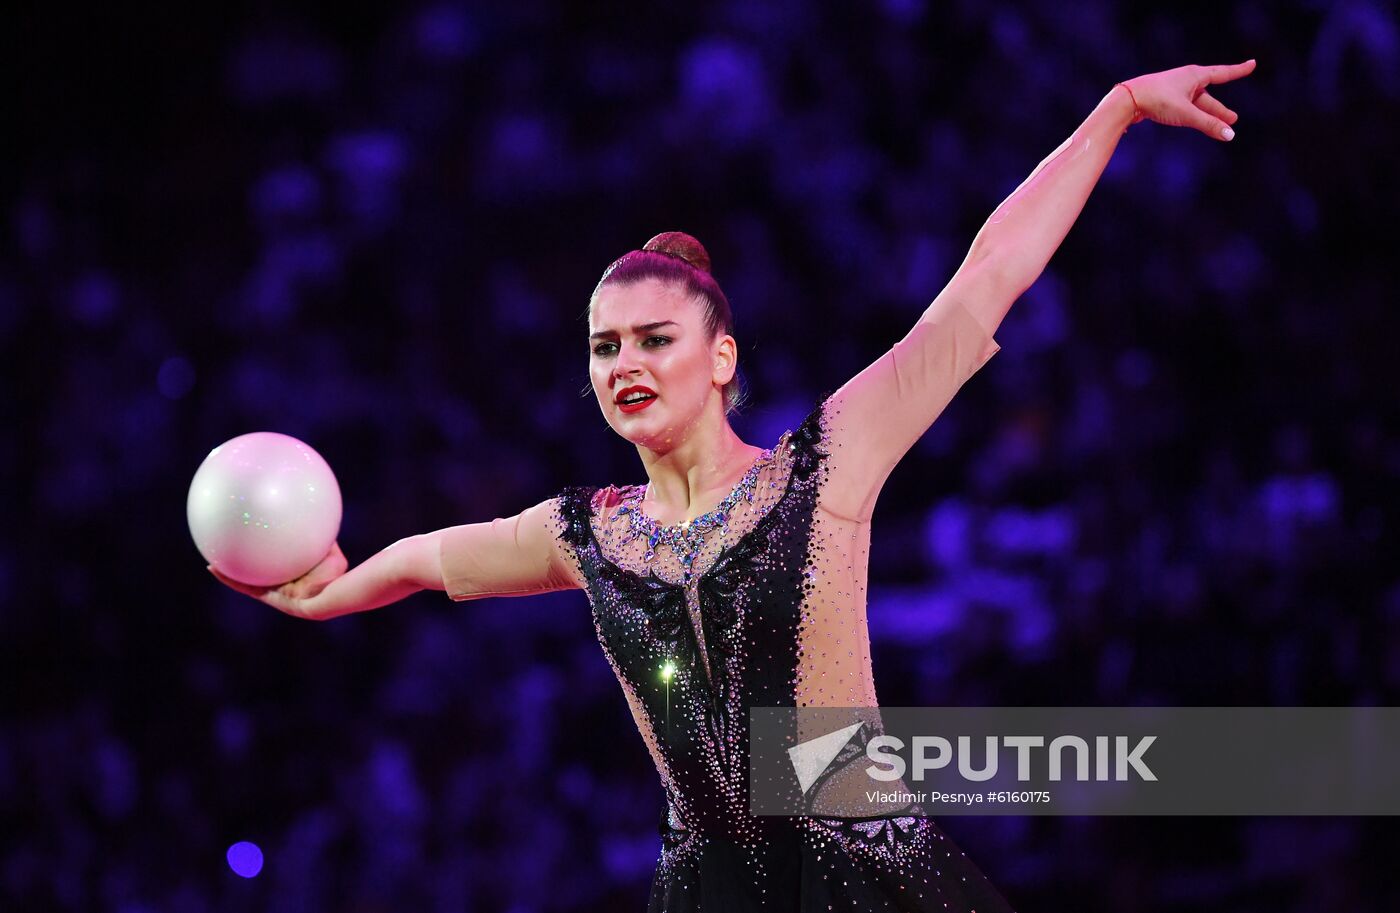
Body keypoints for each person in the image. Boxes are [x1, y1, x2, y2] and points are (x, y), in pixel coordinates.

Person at [211, 60, 1257, 912]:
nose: (623, 361)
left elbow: (981, 283)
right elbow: (434, 560)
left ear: (718, 359)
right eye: (602, 344)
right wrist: (324, 591)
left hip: (865, 877)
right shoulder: (584, 534)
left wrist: (1114, 110)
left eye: (654, 339)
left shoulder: (821, 467)